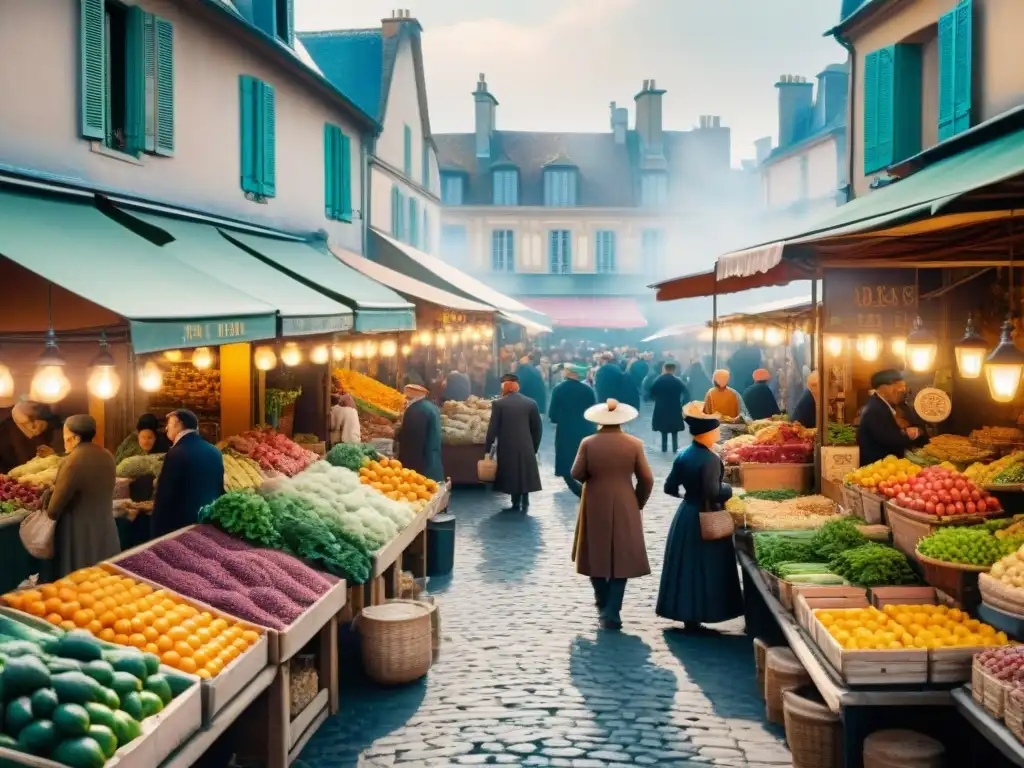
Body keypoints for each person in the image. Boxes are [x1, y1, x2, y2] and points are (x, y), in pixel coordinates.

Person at [656, 402, 744, 630]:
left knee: (686, 567)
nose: (717, 433)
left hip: (686, 514)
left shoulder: (684, 454)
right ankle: (704, 612)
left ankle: (689, 616)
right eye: (715, 430)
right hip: (706, 516)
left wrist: (690, 495)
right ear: (707, 433)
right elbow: (713, 492)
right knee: (707, 566)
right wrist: (729, 489)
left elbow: (669, 487)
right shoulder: (710, 459)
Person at [571, 398, 653, 630]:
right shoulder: (634, 443)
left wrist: (593, 478)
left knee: (594, 553)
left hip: (594, 500)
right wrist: (638, 501)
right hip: (625, 500)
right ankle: (613, 610)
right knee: (622, 556)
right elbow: (647, 479)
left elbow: (576, 472)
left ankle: (602, 601)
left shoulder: (588, 443)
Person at [45, 415, 119, 578]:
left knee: (82, 585)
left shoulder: (73, 460)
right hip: (106, 529)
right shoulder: (107, 455)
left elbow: (53, 510)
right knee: (104, 583)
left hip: (79, 535)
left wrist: (48, 494)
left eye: (65, 433)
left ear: (73, 437)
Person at [152, 409, 224, 537]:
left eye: (168, 424)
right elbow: (219, 489)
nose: (166, 429)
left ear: (177, 423)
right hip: (208, 524)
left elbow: (165, 496)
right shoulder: (215, 452)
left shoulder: (176, 453)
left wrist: (156, 534)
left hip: (182, 529)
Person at [485, 374, 542, 512]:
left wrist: (488, 448)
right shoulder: (530, 403)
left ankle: (515, 502)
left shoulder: (499, 404)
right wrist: (534, 446)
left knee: (511, 473)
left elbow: (493, 428)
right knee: (524, 471)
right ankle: (525, 499)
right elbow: (537, 428)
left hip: (506, 445)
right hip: (526, 444)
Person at [548, 364, 596, 497]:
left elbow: (553, 414)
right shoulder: (588, 390)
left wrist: (559, 419)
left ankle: (579, 492)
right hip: (586, 429)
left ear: (571, 373)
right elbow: (593, 409)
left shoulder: (559, 389)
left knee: (566, 462)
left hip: (566, 430)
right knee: (586, 460)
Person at [857, 369, 923, 466]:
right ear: (882, 387)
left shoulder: (882, 405)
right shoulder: (875, 408)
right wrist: (908, 434)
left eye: (903, 387)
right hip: (876, 469)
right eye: (897, 386)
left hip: (884, 466)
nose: (901, 390)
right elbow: (888, 439)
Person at [396, 384, 444, 483]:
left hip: (422, 470)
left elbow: (412, 443)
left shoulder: (415, 410)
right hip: (433, 462)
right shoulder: (431, 406)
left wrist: (407, 469)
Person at [0, 402, 63, 474]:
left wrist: (46, 424)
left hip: (46, 469)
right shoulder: (7, 424)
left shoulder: (45, 418)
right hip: (15, 474)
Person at [651, 362, 689, 453]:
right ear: (674, 370)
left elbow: (652, 392)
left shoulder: (659, 380)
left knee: (663, 429)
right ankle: (675, 448)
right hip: (674, 407)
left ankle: (664, 448)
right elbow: (686, 392)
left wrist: (657, 399)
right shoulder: (677, 381)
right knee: (674, 430)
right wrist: (684, 404)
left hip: (661, 407)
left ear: (665, 369)